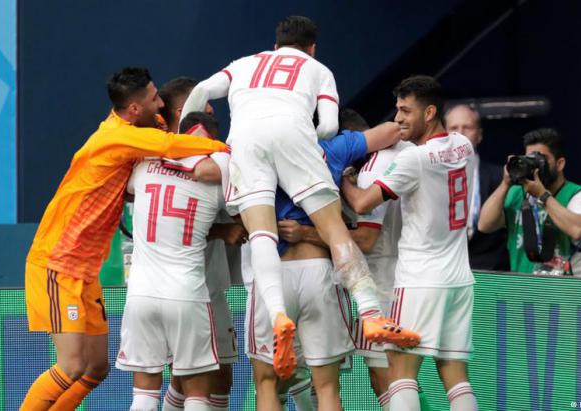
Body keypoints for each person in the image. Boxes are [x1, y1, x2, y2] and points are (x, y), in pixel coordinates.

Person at [180, 15, 410, 379]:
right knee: (335, 230)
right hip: (295, 141)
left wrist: (184, 142)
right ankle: (370, 313)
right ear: (312, 47)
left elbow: (202, 93)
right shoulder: (318, 69)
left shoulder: (243, 64)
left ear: (275, 45)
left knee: (261, 236)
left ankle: (277, 315)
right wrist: (309, 144)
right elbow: (331, 126)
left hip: (247, 143)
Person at [20, 68, 229, 411]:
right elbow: (171, 146)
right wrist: (225, 149)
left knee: (96, 368)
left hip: (86, 271)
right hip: (58, 262)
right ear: (133, 109)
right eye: (152, 99)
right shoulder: (118, 139)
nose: (159, 103)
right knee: (71, 365)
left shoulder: (125, 128)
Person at [246, 114, 408, 410]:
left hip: (273, 275)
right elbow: (391, 131)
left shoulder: (254, 152)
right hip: (320, 271)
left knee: (267, 383)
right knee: (328, 389)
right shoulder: (332, 149)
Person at [341, 75, 479, 410]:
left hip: (419, 280)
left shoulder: (413, 160)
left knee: (399, 374)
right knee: (456, 378)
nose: (398, 119)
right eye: (397, 110)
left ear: (429, 112)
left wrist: (344, 178)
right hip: (460, 279)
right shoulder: (464, 146)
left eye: (406, 111)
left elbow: (362, 204)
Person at [116, 112, 230, 411]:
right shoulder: (221, 175)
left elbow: (127, 193)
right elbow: (244, 213)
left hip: (141, 293)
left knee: (142, 397)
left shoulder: (145, 167)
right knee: (196, 396)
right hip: (186, 294)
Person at [158, 76, 245, 411]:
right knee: (201, 376)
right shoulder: (163, 158)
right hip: (186, 289)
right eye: (206, 106)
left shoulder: (204, 157)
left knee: (202, 376)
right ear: (185, 110)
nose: (212, 113)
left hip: (203, 285)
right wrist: (222, 232)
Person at [478, 128, 581, 277]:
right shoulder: (517, 193)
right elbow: (484, 225)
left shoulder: (579, 194)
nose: (535, 165)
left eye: (540, 158)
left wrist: (542, 195)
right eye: (530, 158)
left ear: (560, 164)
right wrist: (505, 183)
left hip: (572, 290)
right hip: (527, 288)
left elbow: (577, 229)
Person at [444, 104, 510, 271]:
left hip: (491, 272)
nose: (460, 133)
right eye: (453, 128)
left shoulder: (502, 177)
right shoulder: (428, 174)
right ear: (444, 135)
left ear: (479, 135)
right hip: (443, 271)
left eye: (467, 127)